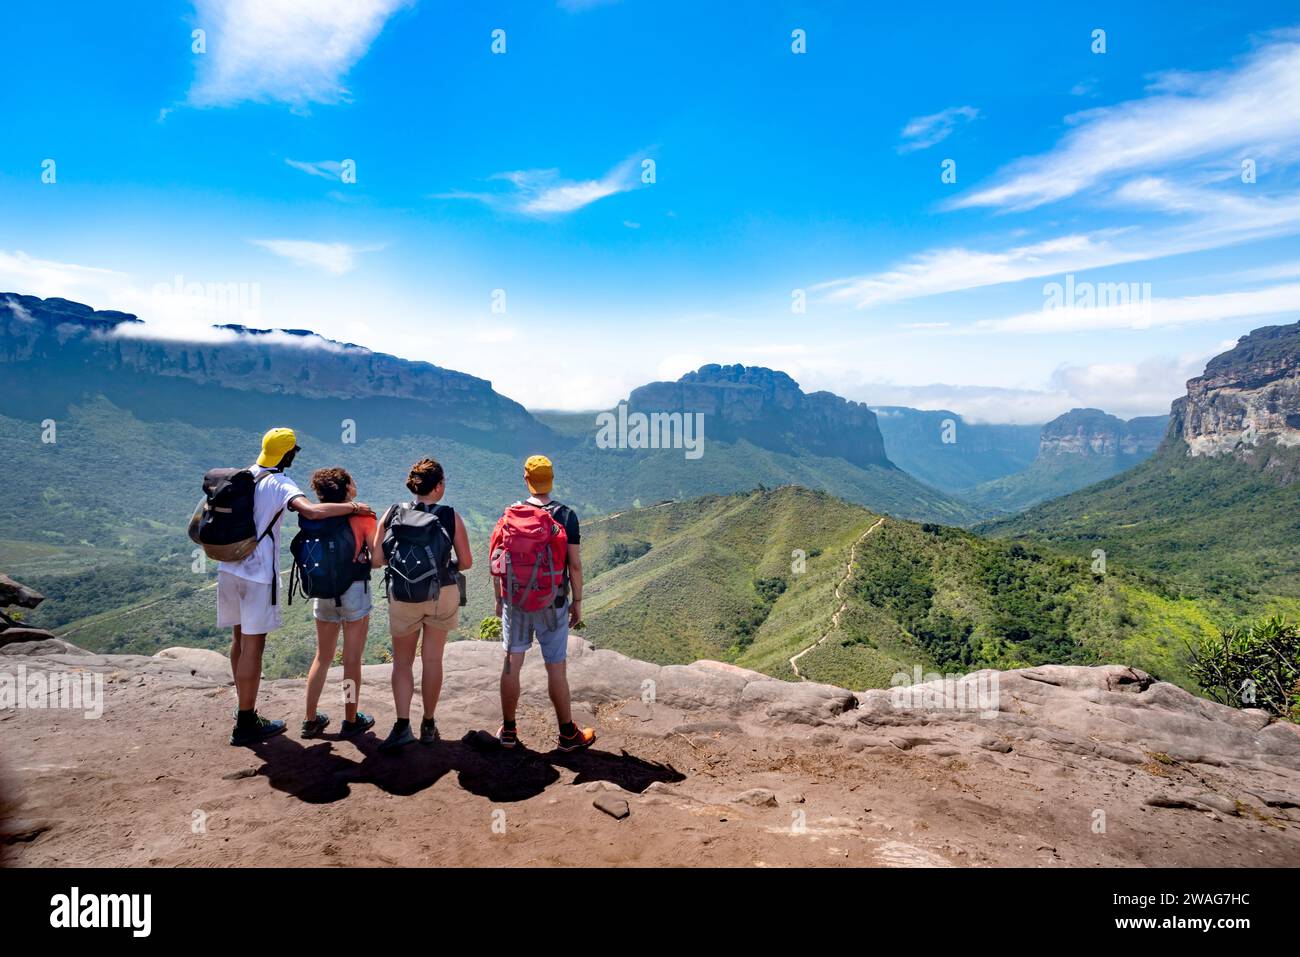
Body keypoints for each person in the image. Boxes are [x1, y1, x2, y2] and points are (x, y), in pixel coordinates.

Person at [219, 428, 374, 747]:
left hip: (229, 565)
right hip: (258, 572)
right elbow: (312, 510)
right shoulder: (280, 482)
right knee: (255, 646)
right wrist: (355, 508)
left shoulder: (244, 476)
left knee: (239, 641)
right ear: (289, 454)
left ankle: (269, 712)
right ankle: (251, 720)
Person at [491, 455, 595, 752]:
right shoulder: (566, 516)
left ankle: (508, 731)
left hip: (516, 601)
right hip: (553, 602)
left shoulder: (511, 514)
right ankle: (567, 735)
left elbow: (497, 562)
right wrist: (578, 602)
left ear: (526, 479)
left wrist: (500, 600)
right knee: (556, 668)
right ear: (551, 479)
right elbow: (574, 565)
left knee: (512, 664)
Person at [371, 457, 472, 752]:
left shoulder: (392, 513)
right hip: (441, 594)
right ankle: (428, 723)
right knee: (432, 660)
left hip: (402, 595)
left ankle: (402, 725)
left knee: (402, 662)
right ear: (438, 487)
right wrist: (441, 565)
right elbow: (466, 562)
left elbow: (377, 560)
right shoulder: (450, 516)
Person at [300, 466, 377, 739]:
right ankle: (351, 718)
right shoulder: (363, 517)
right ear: (347, 489)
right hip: (354, 590)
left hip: (322, 591)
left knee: (322, 656)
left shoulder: (313, 515)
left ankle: (310, 719)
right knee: (352, 659)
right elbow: (378, 559)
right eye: (352, 481)